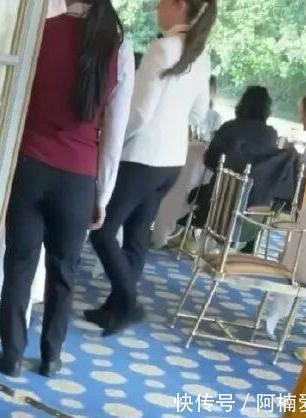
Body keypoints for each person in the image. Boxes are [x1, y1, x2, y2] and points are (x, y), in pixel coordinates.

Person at [0, 0, 135, 378]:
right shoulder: (118, 48)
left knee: (19, 264)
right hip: (77, 179)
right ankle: (51, 357)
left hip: (30, 166)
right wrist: (102, 195)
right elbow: (114, 134)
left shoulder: (41, 30)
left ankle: (11, 356)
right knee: (64, 272)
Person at [86, 0, 216, 336]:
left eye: (161, 2)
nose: (157, 7)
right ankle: (115, 309)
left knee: (101, 229)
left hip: (142, 156)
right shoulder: (200, 54)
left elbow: (140, 113)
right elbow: (200, 112)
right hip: (172, 160)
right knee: (136, 235)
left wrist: (112, 139)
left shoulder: (163, 48)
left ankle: (128, 303)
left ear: (179, 5)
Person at [204, 86, 278, 172]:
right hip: (253, 180)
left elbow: (210, 159)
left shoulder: (229, 127)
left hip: (222, 179)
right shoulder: (271, 135)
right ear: (266, 109)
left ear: (243, 104)